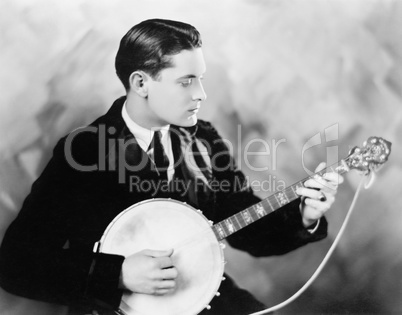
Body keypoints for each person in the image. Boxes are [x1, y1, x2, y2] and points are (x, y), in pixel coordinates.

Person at [0, 19, 343, 315]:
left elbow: (242, 222)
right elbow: (16, 264)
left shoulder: (203, 140)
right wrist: (117, 273)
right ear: (140, 83)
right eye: (186, 81)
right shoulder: (87, 150)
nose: (201, 94)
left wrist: (304, 216)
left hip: (205, 297)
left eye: (201, 79)